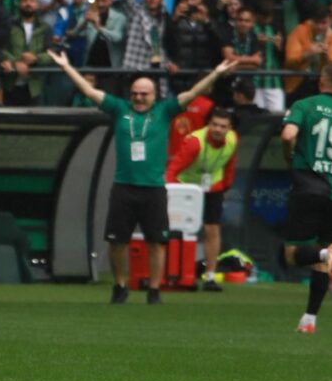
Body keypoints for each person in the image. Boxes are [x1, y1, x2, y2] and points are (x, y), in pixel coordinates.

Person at [49, 48, 236, 303]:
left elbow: (192, 93)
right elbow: (89, 92)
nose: (138, 98)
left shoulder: (164, 111)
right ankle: (120, 285)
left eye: (144, 94)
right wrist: (66, 67)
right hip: (123, 186)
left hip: (154, 188)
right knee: (117, 242)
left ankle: (154, 290)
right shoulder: (119, 108)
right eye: (135, 93)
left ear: (154, 94)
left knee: (157, 242)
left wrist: (216, 73)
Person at [277, 62, 332, 334]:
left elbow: (288, 134)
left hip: (307, 186)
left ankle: (328, 254)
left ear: (321, 81)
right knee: (322, 261)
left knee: (292, 256)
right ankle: (309, 319)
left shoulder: (306, 104)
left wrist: (289, 155)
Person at [166, 106, 238, 291]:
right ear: (208, 125)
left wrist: (225, 188)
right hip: (186, 186)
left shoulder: (232, 140)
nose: (218, 129)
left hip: (213, 185)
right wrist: (170, 191)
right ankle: (177, 274)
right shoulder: (194, 142)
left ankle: (210, 277)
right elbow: (173, 169)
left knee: (212, 229)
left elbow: (230, 165)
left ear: (229, 128)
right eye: (214, 125)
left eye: (223, 126)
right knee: (181, 230)